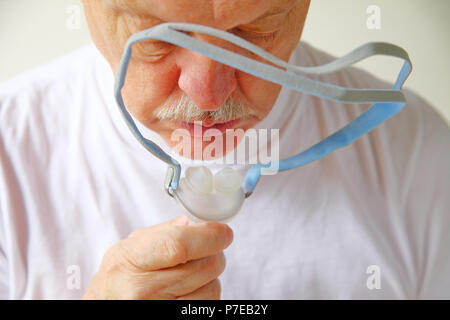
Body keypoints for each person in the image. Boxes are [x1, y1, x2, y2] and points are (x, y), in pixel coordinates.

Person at [0, 0, 449, 299]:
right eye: (158, 39)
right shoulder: (10, 156)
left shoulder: (422, 161)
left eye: (256, 31)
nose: (208, 96)